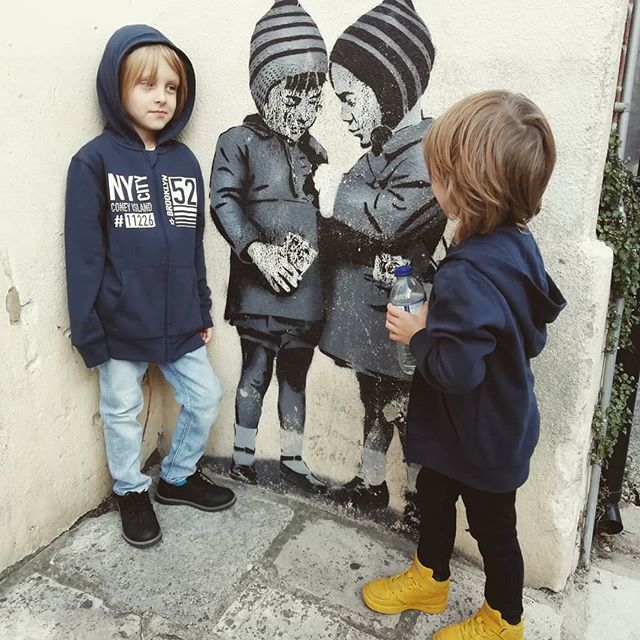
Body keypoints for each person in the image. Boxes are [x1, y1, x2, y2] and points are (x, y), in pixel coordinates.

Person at [362, 91, 566, 640]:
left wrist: (419, 332)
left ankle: (504, 621)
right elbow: (499, 328)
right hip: (477, 426)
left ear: (469, 189)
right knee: (433, 493)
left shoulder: (468, 272)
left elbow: (456, 371)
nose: (431, 181)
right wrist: (444, 317)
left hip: (481, 438)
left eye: (439, 174)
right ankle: (430, 577)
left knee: (494, 530)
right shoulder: (512, 246)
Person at [65, 25, 236, 549]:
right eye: (147, 85)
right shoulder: (93, 162)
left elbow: (193, 245)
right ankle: (131, 490)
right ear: (116, 87)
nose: (162, 97)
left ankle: (177, 477)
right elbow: (82, 255)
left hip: (181, 318)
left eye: (172, 87)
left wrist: (202, 309)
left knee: (206, 396)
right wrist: (88, 330)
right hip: (120, 322)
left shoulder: (185, 163)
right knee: (121, 410)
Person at [316, 0, 446, 511]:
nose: (344, 114)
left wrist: (336, 193)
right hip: (373, 311)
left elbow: (388, 220)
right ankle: (372, 484)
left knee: (405, 410)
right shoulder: (382, 149)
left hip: (400, 311)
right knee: (373, 401)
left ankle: (417, 500)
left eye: (350, 99)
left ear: (388, 89)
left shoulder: (427, 153)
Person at [210, 0, 328, 492]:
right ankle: (243, 454)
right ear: (264, 91)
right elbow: (223, 200)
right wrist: (258, 251)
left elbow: (317, 213)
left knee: (296, 375)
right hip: (259, 286)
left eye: (315, 99)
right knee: (255, 370)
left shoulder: (314, 153)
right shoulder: (238, 140)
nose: (305, 112)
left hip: (306, 288)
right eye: (293, 98)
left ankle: (293, 459)